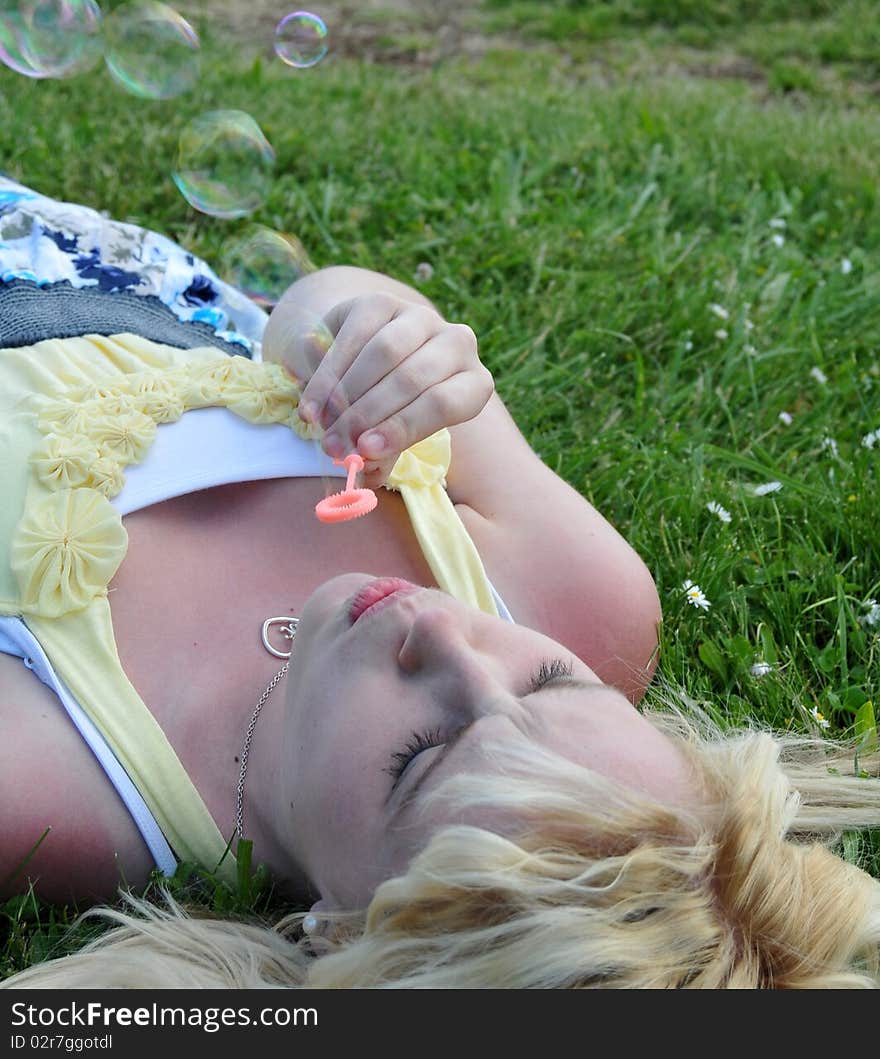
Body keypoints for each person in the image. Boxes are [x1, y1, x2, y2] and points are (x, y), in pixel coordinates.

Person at [1, 174, 879, 990]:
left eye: (418, 758)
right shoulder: (580, 599)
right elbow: (315, 305)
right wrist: (374, 329)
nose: (446, 634)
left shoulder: (60, 787)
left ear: (340, 930)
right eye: (552, 678)